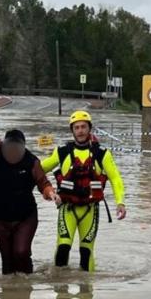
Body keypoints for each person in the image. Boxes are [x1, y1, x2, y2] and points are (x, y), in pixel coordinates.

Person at [41, 110, 126, 272]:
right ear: (72, 130)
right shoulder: (62, 152)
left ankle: (86, 291)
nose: (80, 131)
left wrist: (120, 202)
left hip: (90, 209)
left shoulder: (102, 154)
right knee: (63, 248)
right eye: (76, 127)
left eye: (83, 127)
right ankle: (61, 292)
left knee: (86, 252)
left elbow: (115, 178)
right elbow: (39, 169)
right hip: (67, 209)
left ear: (89, 129)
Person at [0, 129, 60, 275]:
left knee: (21, 252)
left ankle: (27, 281)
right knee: (7, 260)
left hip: (26, 217)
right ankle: (11, 294)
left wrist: (51, 193)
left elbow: (43, 183)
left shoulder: (31, 161)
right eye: (9, 146)